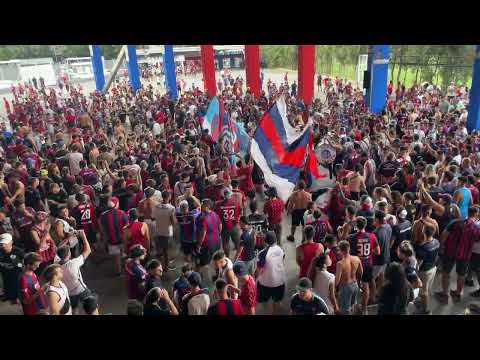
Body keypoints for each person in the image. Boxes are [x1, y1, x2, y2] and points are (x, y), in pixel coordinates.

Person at [435, 206, 480, 304]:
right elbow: (477, 240)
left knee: (446, 273)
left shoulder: (455, 222)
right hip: (465, 254)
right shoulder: (477, 227)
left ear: (467, 212)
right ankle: (458, 294)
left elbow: (444, 235)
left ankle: (444, 294)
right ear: (476, 214)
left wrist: (442, 247)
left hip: (450, 252)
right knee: (461, 274)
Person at [347, 216, 380, 314]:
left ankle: (355, 306)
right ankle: (365, 308)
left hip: (356, 265)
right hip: (367, 264)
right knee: (366, 285)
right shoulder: (372, 236)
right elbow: (377, 251)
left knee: (354, 285)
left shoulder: (351, 237)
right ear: (365, 225)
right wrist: (368, 254)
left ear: (356, 225)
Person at [56, 229, 92, 315]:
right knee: (92, 306)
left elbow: (58, 249)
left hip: (69, 293)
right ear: (69, 254)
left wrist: (69, 237)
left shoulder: (56, 266)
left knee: (74, 309)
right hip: (81, 289)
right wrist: (83, 236)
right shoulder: (73, 263)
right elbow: (88, 250)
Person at [255, 231, 286, 315]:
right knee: (277, 301)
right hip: (280, 282)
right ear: (275, 240)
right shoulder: (281, 249)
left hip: (265, 283)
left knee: (265, 301)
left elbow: (258, 270)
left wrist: (254, 279)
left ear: (265, 241)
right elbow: (282, 261)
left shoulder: (262, 254)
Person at [413, 224, 440, 314]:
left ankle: (426, 310)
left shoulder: (423, 248)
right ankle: (423, 301)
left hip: (424, 271)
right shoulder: (436, 242)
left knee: (424, 291)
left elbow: (418, 263)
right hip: (433, 268)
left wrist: (414, 271)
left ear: (424, 233)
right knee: (427, 287)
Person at [99, 198, 129, 275]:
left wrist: (104, 238)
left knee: (116, 256)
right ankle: (126, 266)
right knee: (123, 253)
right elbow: (127, 226)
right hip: (122, 239)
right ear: (116, 205)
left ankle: (119, 270)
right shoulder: (122, 213)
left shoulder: (103, 215)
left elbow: (102, 228)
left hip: (111, 240)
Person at [335, 240, 362, 315]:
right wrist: (358, 282)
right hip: (355, 285)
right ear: (349, 248)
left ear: (340, 250)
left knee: (345, 310)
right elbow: (361, 272)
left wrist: (333, 289)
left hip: (345, 287)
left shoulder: (340, 263)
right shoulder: (356, 258)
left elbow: (337, 281)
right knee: (352, 306)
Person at [152, 191, 177, 272]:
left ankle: (158, 266)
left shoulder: (156, 206)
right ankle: (166, 267)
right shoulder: (171, 208)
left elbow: (153, 218)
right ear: (169, 197)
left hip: (158, 230)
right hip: (167, 232)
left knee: (160, 250)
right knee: (166, 251)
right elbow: (173, 222)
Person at [215, 188, 241, 258]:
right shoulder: (235, 202)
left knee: (226, 243)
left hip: (224, 227)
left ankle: (227, 257)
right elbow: (239, 212)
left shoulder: (219, 204)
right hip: (234, 225)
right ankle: (238, 256)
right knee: (238, 243)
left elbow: (217, 217)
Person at [0, 233, 24, 304]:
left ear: (11, 242)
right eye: (1, 244)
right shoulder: (0, 252)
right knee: (6, 284)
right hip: (4, 273)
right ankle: (7, 296)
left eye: (5, 243)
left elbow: (23, 264)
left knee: (16, 285)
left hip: (16, 274)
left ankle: (16, 297)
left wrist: (16, 261)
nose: (3, 246)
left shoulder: (18, 252)